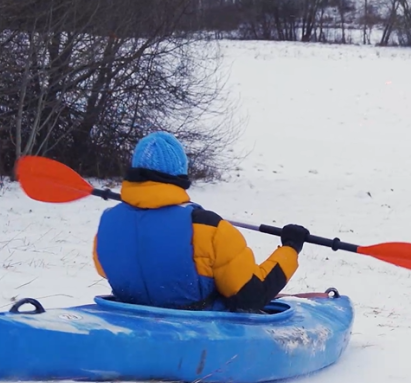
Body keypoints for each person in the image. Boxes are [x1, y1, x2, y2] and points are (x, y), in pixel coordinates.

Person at [92, 131, 309, 312]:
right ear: (180, 173)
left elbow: (106, 269)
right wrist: (290, 248)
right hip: (198, 332)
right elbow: (250, 295)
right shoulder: (208, 228)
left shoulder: (107, 224)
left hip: (129, 319)